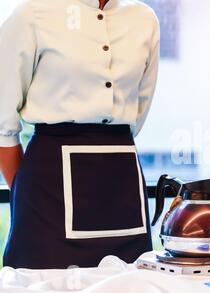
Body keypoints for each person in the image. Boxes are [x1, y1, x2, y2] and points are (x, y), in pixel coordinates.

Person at [0, 0, 160, 269]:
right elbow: (2, 127)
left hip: (122, 184)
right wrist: (24, 192)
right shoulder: (33, 13)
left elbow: (138, 111)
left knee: (131, 287)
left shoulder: (144, 19)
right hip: (47, 188)